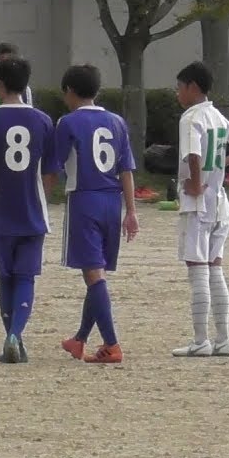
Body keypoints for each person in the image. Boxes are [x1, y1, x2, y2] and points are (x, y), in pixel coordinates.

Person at [51, 65, 140, 364]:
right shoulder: (116, 122)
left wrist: (40, 195)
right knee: (96, 272)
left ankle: (112, 344)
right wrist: (132, 211)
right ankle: (79, 339)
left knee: (93, 275)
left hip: (84, 200)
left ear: (69, 92)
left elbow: (55, 164)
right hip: (111, 201)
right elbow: (126, 169)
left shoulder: (68, 122)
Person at [0, 57, 55, 364]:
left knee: (4, 278)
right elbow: (50, 171)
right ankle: (15, 334)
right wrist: (43, 197)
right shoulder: (44, 121)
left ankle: (11, 337)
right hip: (34, 211)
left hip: (0, 212)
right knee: (26, 277)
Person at [170, 61, 229, 358]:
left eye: (180, 87)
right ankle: (223, 338)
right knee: (215, 267)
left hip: (199, 201)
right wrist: (221, 163)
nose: (178, 93)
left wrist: (195, 182)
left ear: (192, 87)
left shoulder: (191, 117)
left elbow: (193, 153)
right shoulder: (217, 115)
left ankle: (200, 339)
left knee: (197, 269)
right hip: (220, 199)